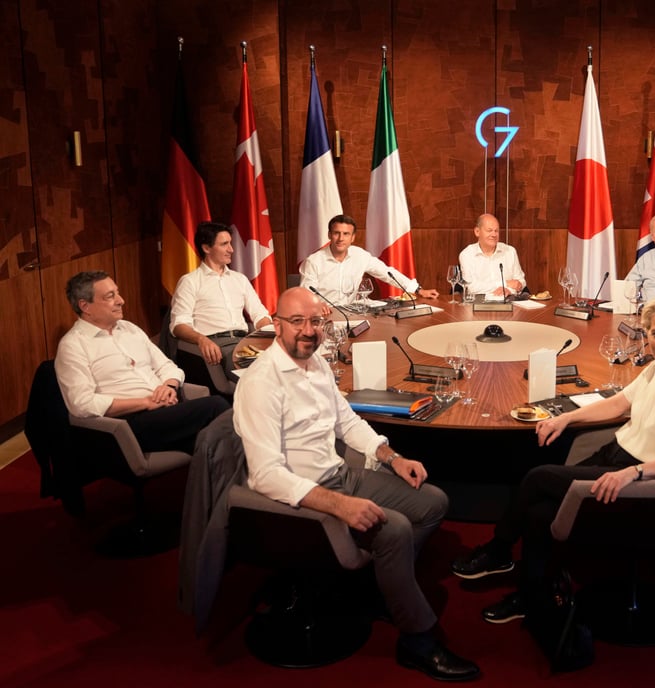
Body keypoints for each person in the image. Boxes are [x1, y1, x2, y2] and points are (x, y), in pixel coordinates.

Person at [232, 287, 479, 682]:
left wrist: (392, 457)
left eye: (316, 321)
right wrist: (339, 506)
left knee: (432, 502)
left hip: (339, 474)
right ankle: (417, 641)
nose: (308, 330)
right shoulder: (262, 382)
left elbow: (347, 422)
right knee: (395, 528)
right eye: (297, 322)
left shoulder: (317, 365)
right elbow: (265, 475)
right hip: (302, 498)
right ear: (277, 325)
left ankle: (379, 585)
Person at [450, 293, 655, 622]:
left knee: (536, 477)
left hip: (637, 481)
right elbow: (618, 404)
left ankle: (498, 549)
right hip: (614, 456)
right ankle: (532, 596)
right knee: (538, 514)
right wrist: (565, 418)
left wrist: (631, 473)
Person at [54, 271, 229, 453]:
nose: (121, 300)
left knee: (214, 445)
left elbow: (167, 366)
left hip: (167, 409)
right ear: (85, 306)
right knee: (217, 406)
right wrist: (145, 402)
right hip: (130, 422)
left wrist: (169, 386)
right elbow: (82, 404)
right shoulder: (73, 345)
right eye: (110, 296)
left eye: (118, 292)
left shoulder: (130, 329)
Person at [169, 221, 272, 368]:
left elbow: (259, 314)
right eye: (224, 244)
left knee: (286, 363)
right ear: (206, 248)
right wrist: (201, 339)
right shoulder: (190, 282)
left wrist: (268, 335)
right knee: (263, 370)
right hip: (217, 347)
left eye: (230, 243)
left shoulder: (239, 279)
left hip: (245, 343)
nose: (231, 249)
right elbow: (179, 325)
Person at [300, 213, 439, 315]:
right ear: (329, 235)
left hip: (353, 315)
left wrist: (418, 290)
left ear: (353, 237)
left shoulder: (360, 255)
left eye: (346, 234)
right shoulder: (314, 261)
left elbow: (387, 273)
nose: (341, 238)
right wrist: (317, 305)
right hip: (324, 316)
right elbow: (305, 294)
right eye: (337, 233)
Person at [458, 213, 526, 297]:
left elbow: (521, 282)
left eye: (496, 231)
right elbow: (471, 287)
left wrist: (508, 290)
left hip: (507, 302)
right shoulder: (467, 254)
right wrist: (505, 283)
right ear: (477, 232)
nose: (494, 235)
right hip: (477, 305)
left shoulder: (510, 251)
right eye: (489, 230)